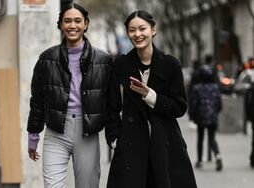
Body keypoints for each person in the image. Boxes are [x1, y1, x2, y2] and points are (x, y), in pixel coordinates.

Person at [105, 10, 197, 188]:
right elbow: (112, 106)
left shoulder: (171, 64)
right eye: (132, 30)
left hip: (165, 144)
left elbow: (180, 107)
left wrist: (151, 96)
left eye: (142, 29)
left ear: (153, 30)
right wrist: (115, 139)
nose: (137, 34)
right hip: (131, 145)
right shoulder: (121, 64)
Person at [26, 3, 112, 188]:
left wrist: (113, 135)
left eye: (77, 21)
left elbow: (111, 102)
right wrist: (33, 136)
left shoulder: (103, 60)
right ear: (60, 25)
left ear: (86, 24)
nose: (72, 25)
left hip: (87, 132)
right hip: (56, 131)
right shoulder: (46, 59)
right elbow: (38, 100)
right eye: (67, 21)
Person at [188, 65, 223, 171]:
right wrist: (215, 112)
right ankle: (218, 156)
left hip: (200, 117)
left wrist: (191, 115)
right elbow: (219, 104)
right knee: (212, 138)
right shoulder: (215, 88)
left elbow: (193, 103)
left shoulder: (197, 88)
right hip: (212, 117)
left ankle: (199, 160)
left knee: (200, 138)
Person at [244, 81, 254, 168]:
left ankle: (252, 158)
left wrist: (248, 116)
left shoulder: (250, 89)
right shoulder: (250, 90)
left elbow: (247, 104)